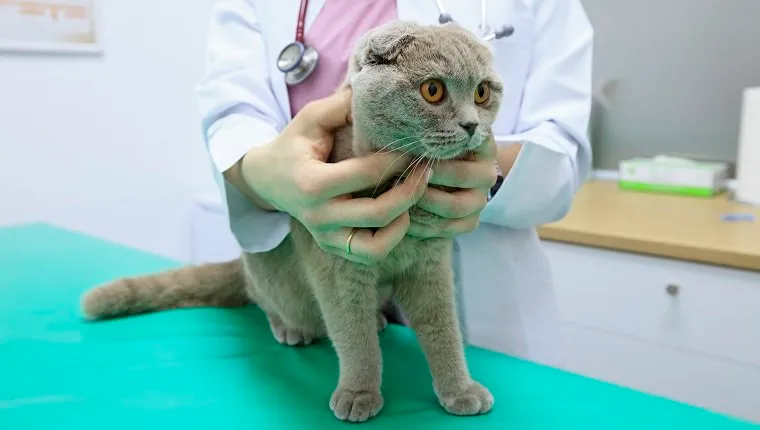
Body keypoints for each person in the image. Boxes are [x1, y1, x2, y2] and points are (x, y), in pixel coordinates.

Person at [195, 0, 593, 368]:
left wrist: (481, 173)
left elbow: (562, 151)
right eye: (433, 90)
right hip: (314, 313)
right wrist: (262, 174)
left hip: (489, 324)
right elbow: (233, 114)